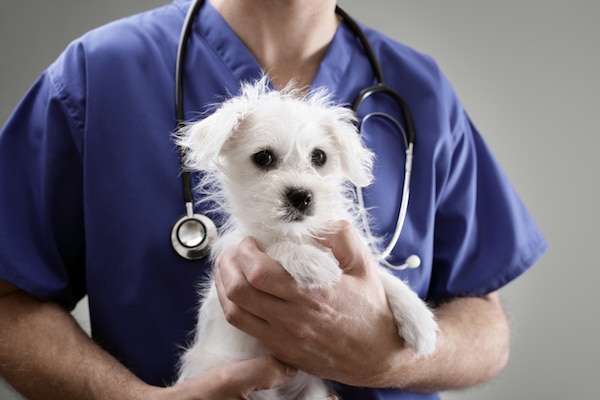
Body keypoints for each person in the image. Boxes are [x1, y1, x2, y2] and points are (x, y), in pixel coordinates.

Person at [0, 0, 547, 399]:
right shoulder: (97, 73)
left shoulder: (421, 87)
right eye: (266, 160)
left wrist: (387, 360)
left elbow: (486, 324)